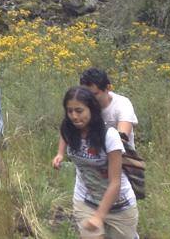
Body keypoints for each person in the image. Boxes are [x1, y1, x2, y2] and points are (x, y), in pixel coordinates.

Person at [54, 86, 138, 239]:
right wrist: (60, 154)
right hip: (86, 200)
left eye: (79, 111)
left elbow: (115, 182)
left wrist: (99, 216)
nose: (74, 116)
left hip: (119, 205)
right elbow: (64, 133)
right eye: (70, 111)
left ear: (92, 110)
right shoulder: (69, 128)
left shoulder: (109, 136)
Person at [53, 68, 140, 170]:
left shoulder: (122, 105)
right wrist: (60, 153)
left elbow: (123, 137)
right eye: (85, 94)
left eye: (94, 94)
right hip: (90, 163)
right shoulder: (83, 107)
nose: (89, 98)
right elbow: (68, 126)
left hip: (121, 162)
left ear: (108, 88)